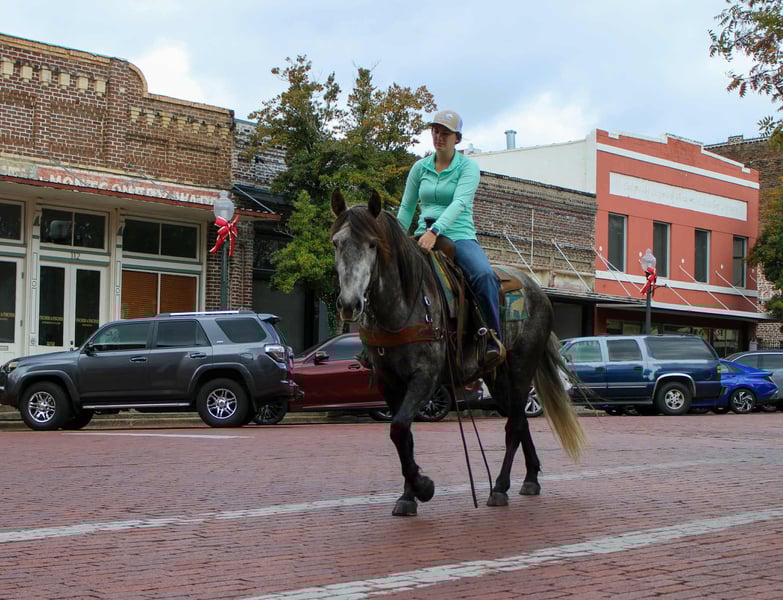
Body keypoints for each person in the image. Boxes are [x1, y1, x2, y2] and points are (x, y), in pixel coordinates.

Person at [397, 109, 505, 367]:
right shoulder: (419, 167)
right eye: (435, 131)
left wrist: (435, 231)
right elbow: (407, 207)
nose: (439, 137)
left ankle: (492, 338)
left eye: (445, 133)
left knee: (484, 276)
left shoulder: (468, 167)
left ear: (457, 138)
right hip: (422, 235)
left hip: (458, 236)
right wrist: (396, 238)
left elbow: (459, 203)